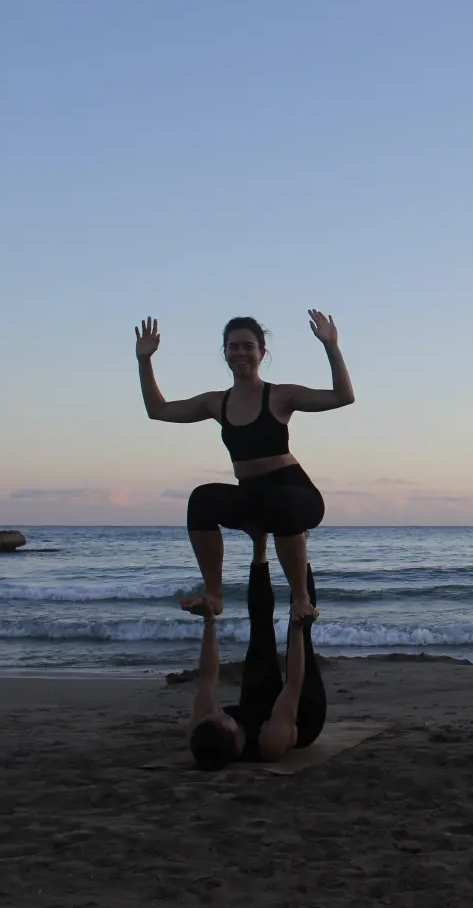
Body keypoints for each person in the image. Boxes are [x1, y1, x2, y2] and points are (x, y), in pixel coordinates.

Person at [134, 310, 354, 623]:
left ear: (262, 353)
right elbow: (158, 410)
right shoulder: (217, 402)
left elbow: (343, 396)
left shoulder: (280, 395)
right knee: (202, 499)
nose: (240, 353)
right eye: (233, 346)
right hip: (253, 497)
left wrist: (331, 345)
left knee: (283, 502)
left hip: (296, 493)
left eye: (248, 346)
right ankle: (214, 594)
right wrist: (145, 360)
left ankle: (301, 599)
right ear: (225, 353)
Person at [184, 535, 328, 768]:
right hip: (301, 714)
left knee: (260, 632)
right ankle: (300, 547)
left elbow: (208, 677)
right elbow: (293, 683)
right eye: (224, 719)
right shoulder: (270, 742)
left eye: (214, 715)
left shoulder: (201, 728)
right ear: (238, 741)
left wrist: (209, 620)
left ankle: (259, 546)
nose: (220, 711)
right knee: (302, 623)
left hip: (257, 707)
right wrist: (297, 626)